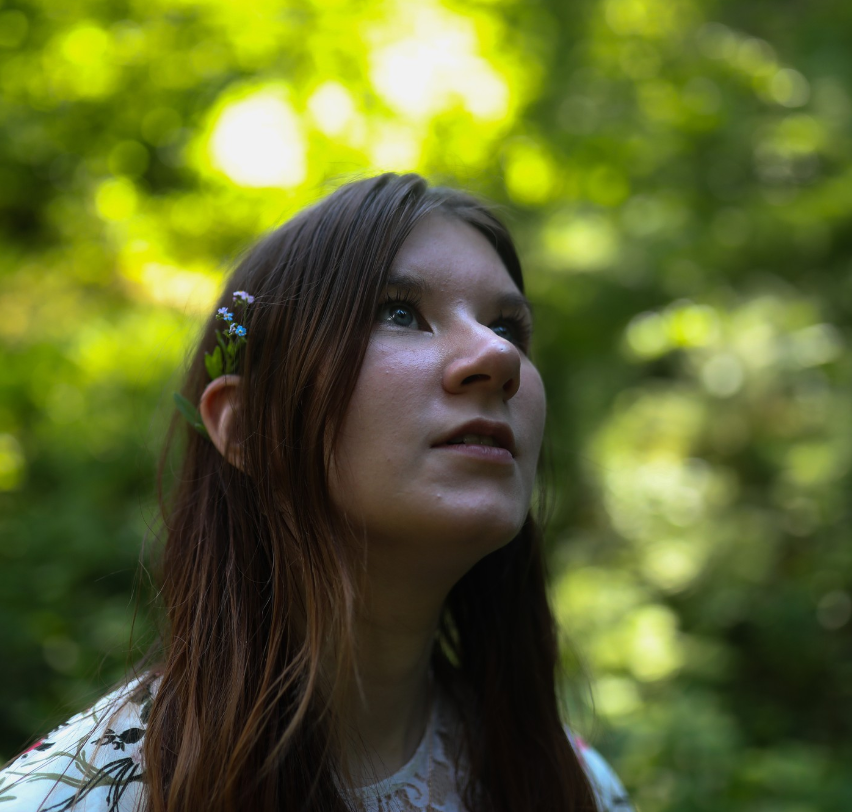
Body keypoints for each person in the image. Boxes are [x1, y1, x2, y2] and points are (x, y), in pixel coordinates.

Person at [0, 173, 633, 812]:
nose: (498, 356)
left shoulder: (578, 789)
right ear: (249, 429)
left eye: (509, 326)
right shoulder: (69, 799)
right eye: (399, 312)